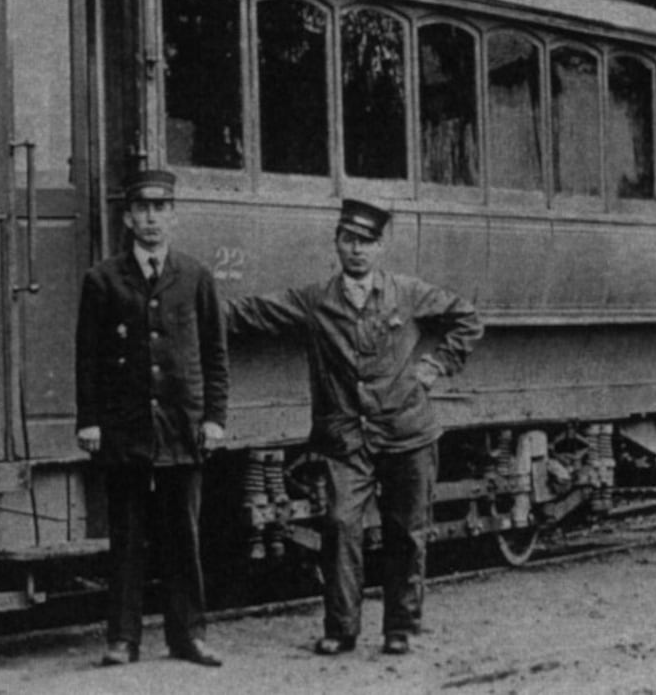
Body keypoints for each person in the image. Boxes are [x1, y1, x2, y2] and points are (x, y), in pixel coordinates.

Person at [225, 198, 481, 656]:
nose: (357, 250)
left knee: (407, 531)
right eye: (349, 240)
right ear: (336, 244)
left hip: (407, 434)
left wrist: (436, 365)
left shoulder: (408, 293)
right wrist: (189, 307)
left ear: (381, 248)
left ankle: (400, 627)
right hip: (345, 440)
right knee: (341, 526)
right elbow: (249, 314)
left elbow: (467, 318)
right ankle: (341, 629)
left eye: (367, 242)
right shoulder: (314, 301)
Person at [74, 169, 229, 667]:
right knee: (127, 538)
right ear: (127, 218)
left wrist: (214, 419)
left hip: (182, 427)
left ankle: (188, 637)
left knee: (184, 537)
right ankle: (123, 639)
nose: (152, 220)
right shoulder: (102, 279)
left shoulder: (196, 277)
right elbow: (88, 357)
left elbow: (214, 355)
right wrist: (89, 420)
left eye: (161, 210)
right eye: (143, 210)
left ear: (174, 217)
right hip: (126, 428)